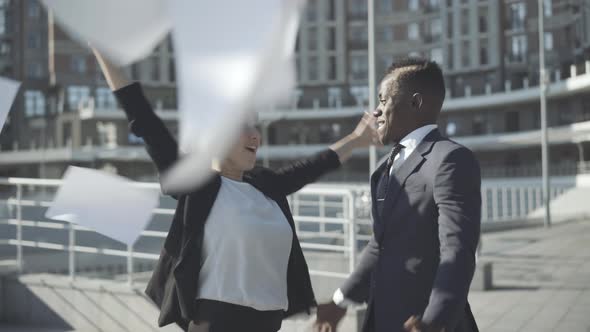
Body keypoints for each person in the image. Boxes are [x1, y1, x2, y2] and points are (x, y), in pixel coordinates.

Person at [92, 48, 378, 332]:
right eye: (242, 125)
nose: (255, 134)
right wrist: (102, 48)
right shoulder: (199, 184)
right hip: (217, 322)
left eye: (255, 125)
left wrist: (356, 139)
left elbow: (313, 166)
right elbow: (143, 118)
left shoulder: (266, 185)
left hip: (268, 323)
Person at [315, 58, 481, 332]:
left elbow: (458, 250)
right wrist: (340, 301)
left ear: (415, 103)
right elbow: (380, 244)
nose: (376, 111)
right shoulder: (383, 168)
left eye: (383, 100)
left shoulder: (450, 159)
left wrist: (435, 321)